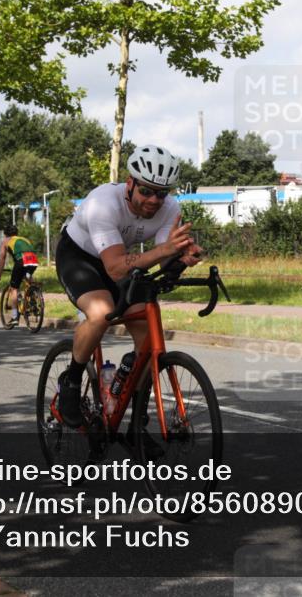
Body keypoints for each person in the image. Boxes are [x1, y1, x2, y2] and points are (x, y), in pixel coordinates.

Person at [55, 145, 204, 427]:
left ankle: (136, 424)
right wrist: (164, 252)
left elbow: (164, 255)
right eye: (146, 191)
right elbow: (114, 268)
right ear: (130, 183)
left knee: (148, 334)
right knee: (101, 313)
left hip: (121, 259)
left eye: (161, 193)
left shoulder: (170, 209)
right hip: (80, 258)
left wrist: (181, 258)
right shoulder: (103, 203)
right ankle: (71, 382)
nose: (154, 200)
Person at [0, 225, 39, 324]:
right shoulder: (24, 239)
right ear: (16, 233)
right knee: (27, 278)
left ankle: (14, 317)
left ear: (5, 234)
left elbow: (2, 258)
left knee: (14, 288)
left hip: (21, 261)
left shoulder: (6, 241)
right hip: (33, 260)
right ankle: (34, 298)